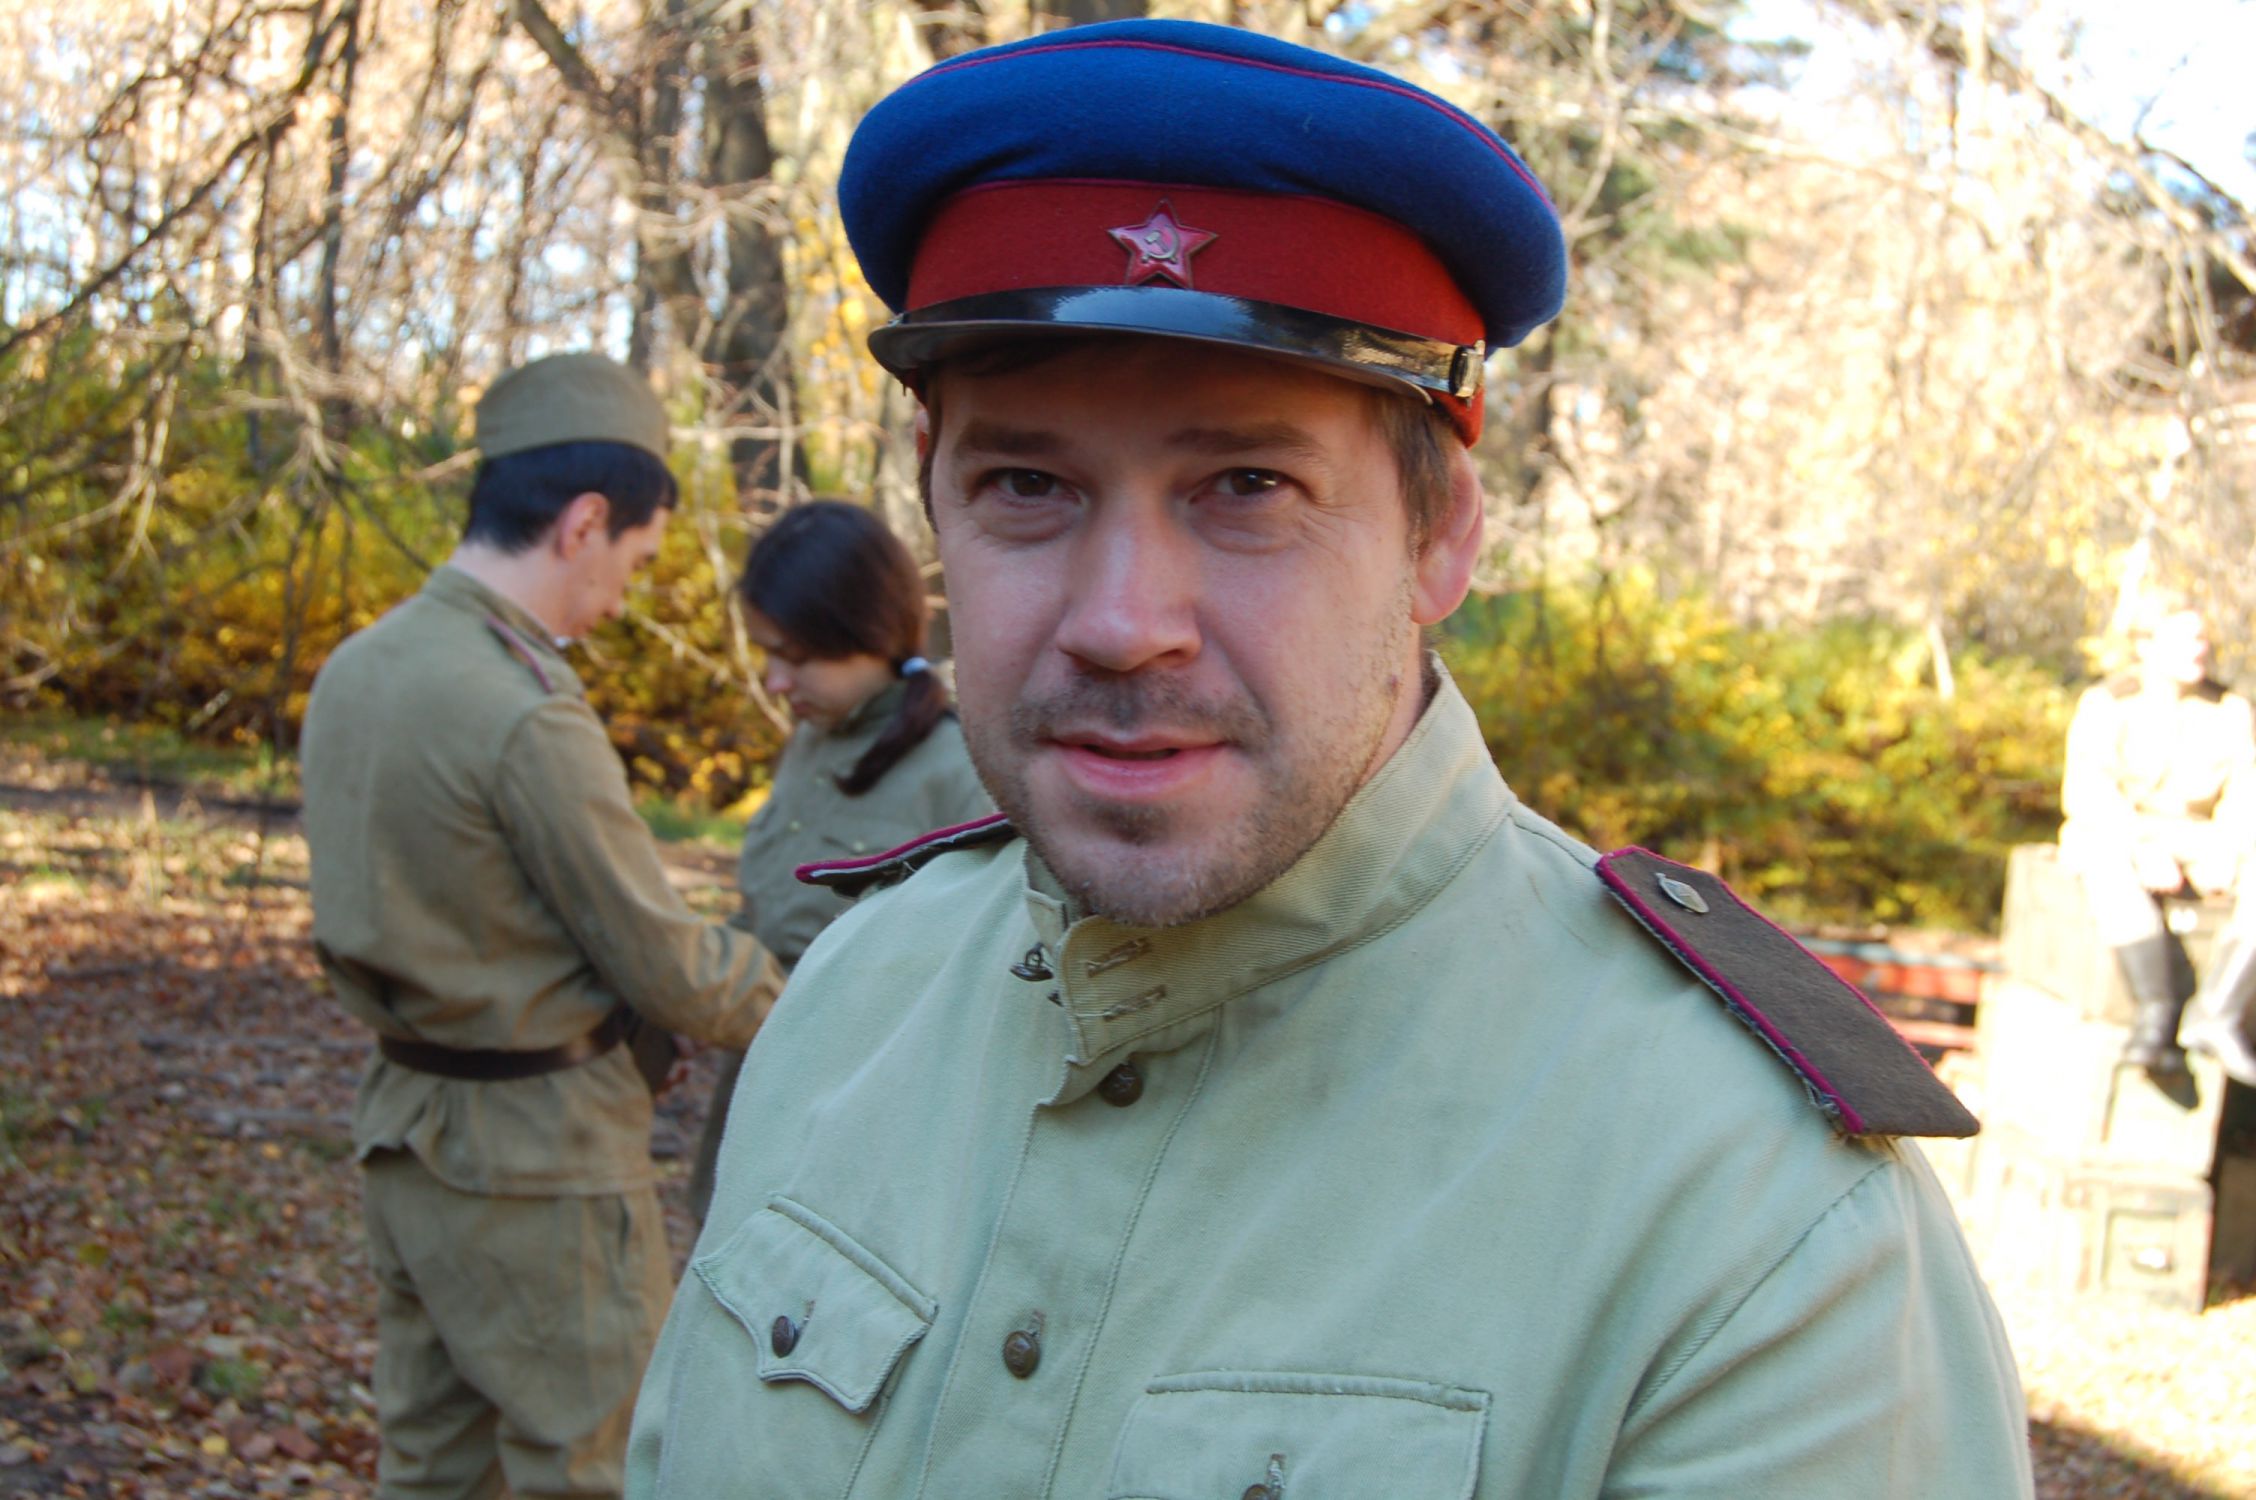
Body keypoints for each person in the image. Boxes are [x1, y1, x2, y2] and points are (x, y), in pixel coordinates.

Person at [627, 22, 2032, 1497]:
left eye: (1249, 485)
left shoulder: (1752, 1223)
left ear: (1441, 537)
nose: (1120, 624)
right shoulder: (855, 999)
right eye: (1027, 484)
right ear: (937, 513)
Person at [300, 351, 786, 1500]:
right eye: (635, 561)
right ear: (583, 523)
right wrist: (830, 1000)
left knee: (432, 1468)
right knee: (596, 1472)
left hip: (406, 1135)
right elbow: (666, 963)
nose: (620, 600)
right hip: (540, 1167)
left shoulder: (359, 668)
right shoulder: (522, 712)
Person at [685, 499, 991, 1223]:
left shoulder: (959, 770)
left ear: (872, 636)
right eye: (767, 653)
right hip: (756, 1092)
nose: (775, 681)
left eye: (798, 658)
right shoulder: (809, 744)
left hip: (863, 1132)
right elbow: (768, 911)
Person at [2061, 594, 2256, 1078]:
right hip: (2118, 831)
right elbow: (2089, 792)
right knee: (2105, 863)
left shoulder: (2229, 709)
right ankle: (2154, 1011)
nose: (2200, 649)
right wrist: (2143, 847)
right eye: (2186, 639)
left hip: (2197, 838)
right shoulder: (2109, 703)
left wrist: (2230, 853)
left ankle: (2218, 1012)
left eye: (2203, 637)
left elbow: (2244, 797)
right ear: (2147, 646)